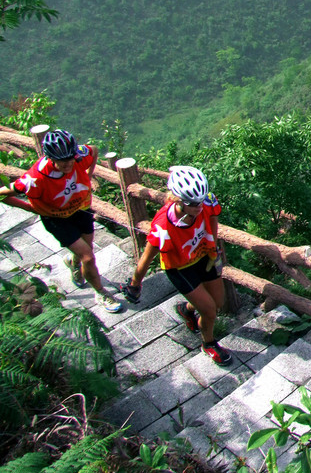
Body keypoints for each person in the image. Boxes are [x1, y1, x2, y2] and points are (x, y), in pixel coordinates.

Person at [117, 165, 232, 365]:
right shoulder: (164, 225)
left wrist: (213, 246)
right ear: (178, 200)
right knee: (210, 311)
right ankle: (209, 344)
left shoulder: (206, 202)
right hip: (180, 268)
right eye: (192, 203)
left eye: (200, 200)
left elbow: (212, 217)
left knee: (219, 302)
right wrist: (136, 283)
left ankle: (186, 310)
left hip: (205, 256)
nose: (199, 206)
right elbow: (148, 255)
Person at [0, 129, 124, 313]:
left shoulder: (79, 155)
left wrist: (88, 178)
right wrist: (34, 209)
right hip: (57, 220)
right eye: (62, 160)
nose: (68, 164)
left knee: (86, 251)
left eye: (70, 158)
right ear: (50, 158)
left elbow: (94, 150)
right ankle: (101, 293)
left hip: (81, 210)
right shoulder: (34, 179)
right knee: (89, 257)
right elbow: (4, 195)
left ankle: (74, 264)